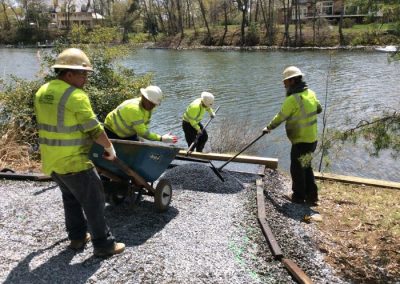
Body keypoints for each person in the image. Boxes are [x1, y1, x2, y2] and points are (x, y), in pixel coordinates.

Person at [34, 48, 125, 257]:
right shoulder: (75, 96)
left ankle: (76, 238)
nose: (85, 78)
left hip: (52, 162)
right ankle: (104, 245)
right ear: (68, 74)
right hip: (74, 162)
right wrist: (109, 148)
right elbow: (93, 128)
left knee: (71, 198)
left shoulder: (42, 91)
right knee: (94, 201)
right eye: (82, 73)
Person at [263, 66, 322, 206]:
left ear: (292, 81)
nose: (283, 84)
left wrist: (268, 127)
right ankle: (312, 196)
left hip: (301, 140)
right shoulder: (311, 93)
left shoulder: (292, 99)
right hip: (312, 139)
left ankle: (298, 196)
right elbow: (319, 109)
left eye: (285, 81)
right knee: (306, 166)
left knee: (296, 168)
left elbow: (280, 117)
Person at [104, 85, 178, 144]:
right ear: (143, 97)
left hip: (127, 134)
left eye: (154, 104)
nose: (152, 106)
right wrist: (161, 138)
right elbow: (143, 133)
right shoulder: (134, 109)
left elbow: (145, 128)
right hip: (112, 132)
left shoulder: (148, 109)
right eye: (151, 103)